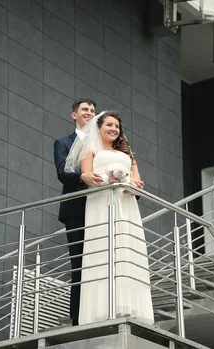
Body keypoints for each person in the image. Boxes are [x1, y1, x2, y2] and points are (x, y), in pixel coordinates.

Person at [64, 110, 154, 325]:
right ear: (99, 127)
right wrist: (109, 178)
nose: (114, 129)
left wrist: (134, 185)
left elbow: (136, 180)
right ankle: (99, 310)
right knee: (102, 250)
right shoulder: (89, 149)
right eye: (109, 125)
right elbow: (88, 179)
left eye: (117, 126)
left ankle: (129, 307)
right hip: (101, 202)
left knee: (126, 249)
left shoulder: (127, 153)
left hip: (126, 204)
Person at [53, 99, 104, 326]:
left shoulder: (104, 143)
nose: (89, 113)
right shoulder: (63, 142)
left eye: (93, 111)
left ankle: (101, 311)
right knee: (80, 263)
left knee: (101, 260)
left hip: (101, 206)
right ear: (74, 114)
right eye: (85, 110)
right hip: (75, 208)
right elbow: (63, 173)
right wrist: (82, 176)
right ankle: (77, 318)